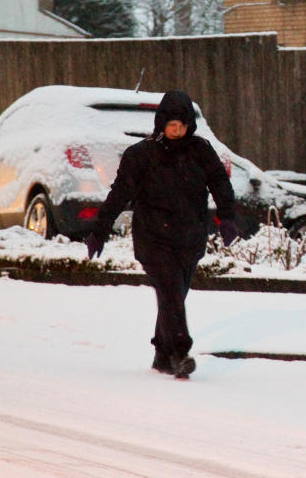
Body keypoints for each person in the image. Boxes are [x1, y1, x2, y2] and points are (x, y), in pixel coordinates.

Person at [85, 90, 238, 379]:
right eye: (172, 123)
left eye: (183, 123)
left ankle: (161, 355)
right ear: (161, 122)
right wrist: (99, 231)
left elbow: (220, 181)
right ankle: (180, 352)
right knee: (170, 291)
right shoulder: (141, 155)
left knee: (174, 296)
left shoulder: (201, 150)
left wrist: (227, 216)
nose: (177, 129)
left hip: (190, 237)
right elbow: (119, 194)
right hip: (153, 237)